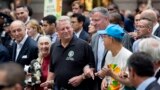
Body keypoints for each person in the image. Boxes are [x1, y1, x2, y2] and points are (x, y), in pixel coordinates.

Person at [40, 16, 95, 90]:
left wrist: (81, 77)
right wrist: (48, 83)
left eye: (68, 28)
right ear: (57, 31)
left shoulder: (84, 45)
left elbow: (92, 68)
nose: (66, 31)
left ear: (72, 28)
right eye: (62, 29)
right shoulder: (54, 46)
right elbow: (52, 70)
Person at [96, 24, 132, 90]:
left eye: (104, 36)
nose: (102, 40)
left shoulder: (129, 56)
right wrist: (104, 81)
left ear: (111, 39)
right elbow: (106, 74)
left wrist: (112, 75)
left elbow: (131, 83)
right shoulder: (109, 53)